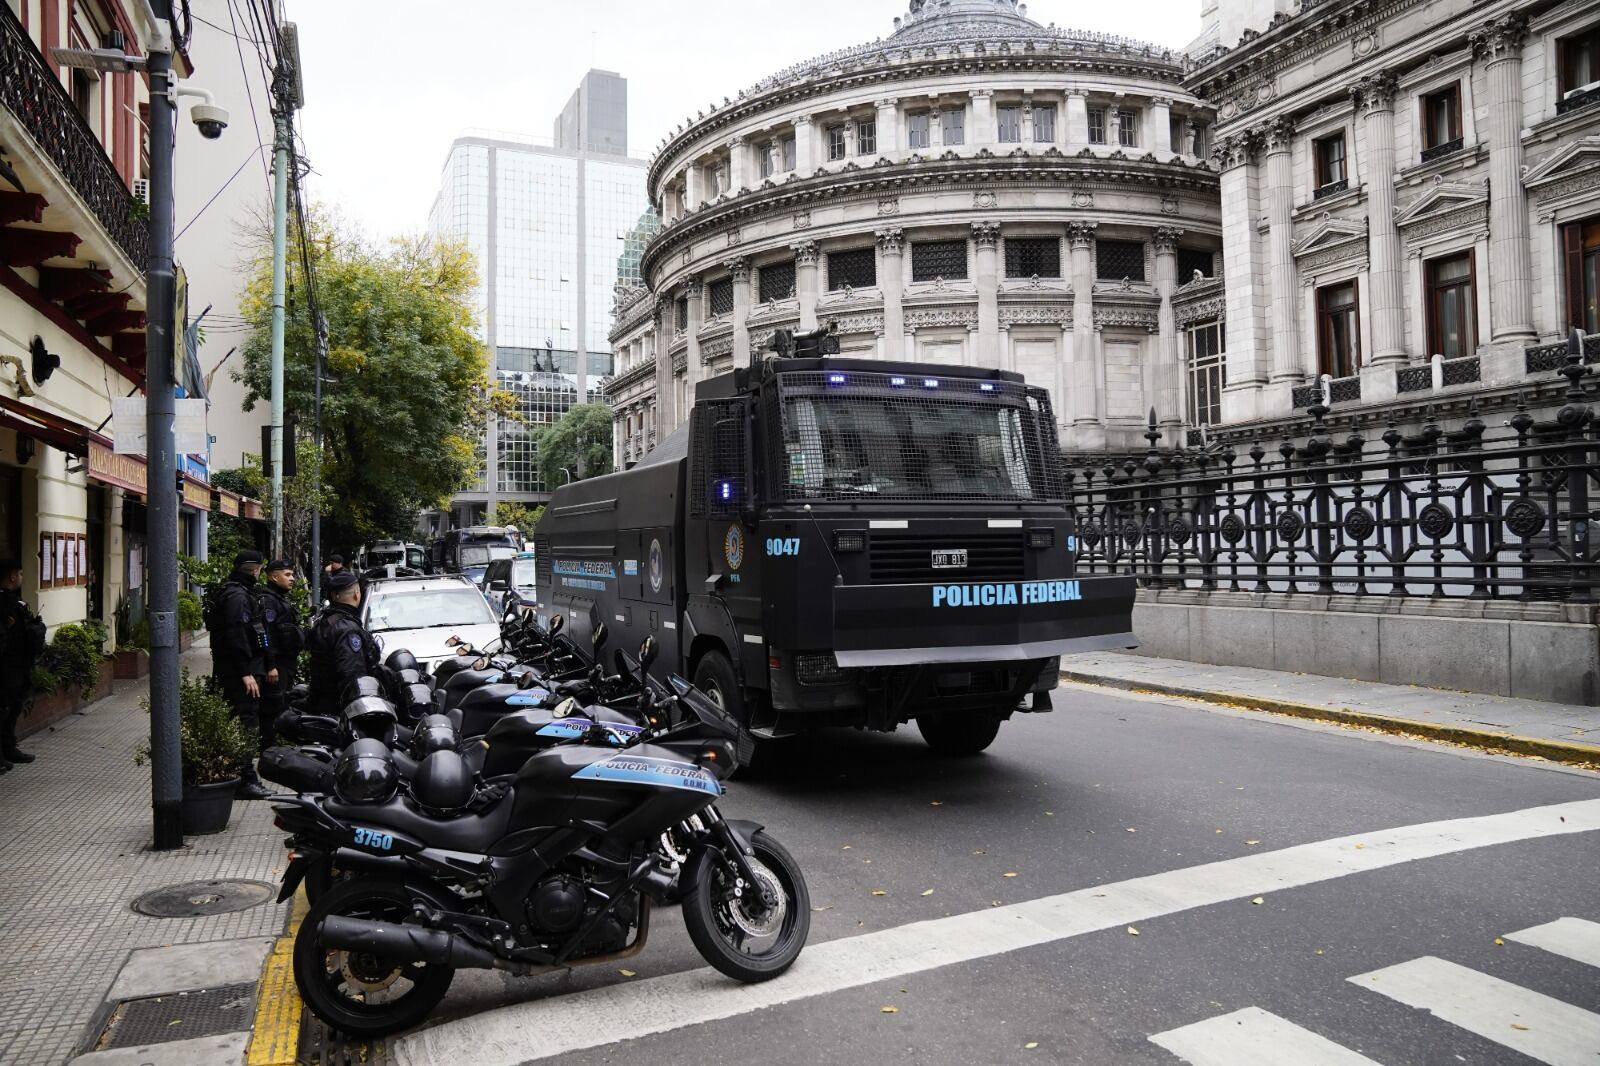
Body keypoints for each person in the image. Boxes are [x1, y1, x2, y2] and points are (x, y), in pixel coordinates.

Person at [210, 550, 273, 799]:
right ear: (256, 569)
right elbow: (236, 635)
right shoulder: (237, 596)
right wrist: (246, 672)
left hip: (241, 669)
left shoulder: (239, 592)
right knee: (246, 724)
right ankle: (245, 780)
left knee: (245, 722)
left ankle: (241, 777)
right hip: (240, 673)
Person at [306, 569, 380, 715]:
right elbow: (353, 675)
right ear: (356, 594)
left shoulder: (326, 621)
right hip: (341, 708)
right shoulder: (347, 629)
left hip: (322, 702)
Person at [0, 559, 45, 772]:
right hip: (8, 666)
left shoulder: (14, 602)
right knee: (5, 709)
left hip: (18, 664)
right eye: (19, 574)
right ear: (11, 577)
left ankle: (9, 749)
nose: (21, 578)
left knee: (13, 707)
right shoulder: (7, 604)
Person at [256, 559, 304, 751]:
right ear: (274, 577)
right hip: (277, 665)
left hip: (285, 663)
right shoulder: (268, 601)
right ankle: (268, 748)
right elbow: (264, 635)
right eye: (287, 575)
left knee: (281, 703)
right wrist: (270, 665)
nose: (292, 579)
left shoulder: (279, 598)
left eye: (292, 575)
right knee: (272, 707)